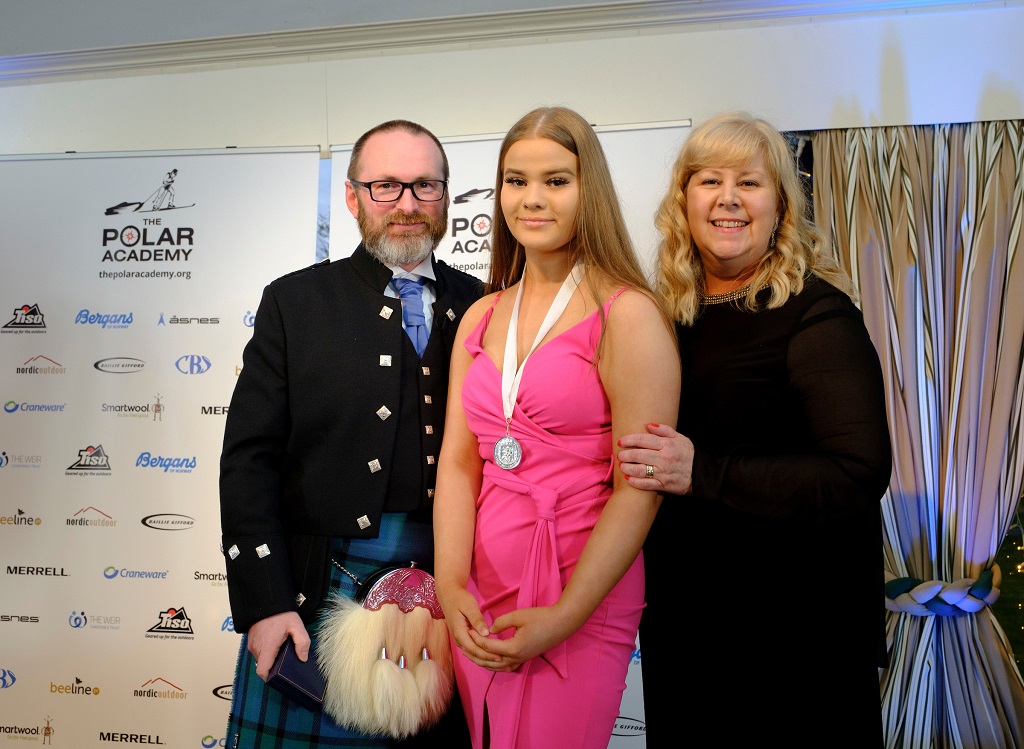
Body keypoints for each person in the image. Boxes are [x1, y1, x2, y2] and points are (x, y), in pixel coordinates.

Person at [616, 110, 892, 746]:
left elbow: (857, 472)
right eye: (709, 180)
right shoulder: (665, 319)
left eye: (750, 182)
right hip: (688, 631)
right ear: (683, 200)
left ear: (780, 207)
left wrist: (703, 471)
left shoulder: (817, 315)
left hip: (796, 640)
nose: (728, 199)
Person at [219, 119, 484, 747]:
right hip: (317, 593)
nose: (407, 206)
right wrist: (266, 602)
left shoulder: (483, 306)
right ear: (352, 196)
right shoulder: (296, 302)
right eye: (385, 186)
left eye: (425, 186)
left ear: (446, 196)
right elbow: (248, 461)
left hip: (454, 601)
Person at [433, 106, 680, 749]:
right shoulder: (482, 316)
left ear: (587, 189)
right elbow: (461, 463)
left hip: (579, 594)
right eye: (516, 181)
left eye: (555, 181)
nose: (532, 199)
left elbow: (640, 486)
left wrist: (566, 615)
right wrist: (449, 579)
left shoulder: (628, 315)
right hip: (482, 586)